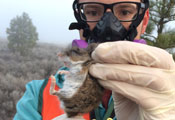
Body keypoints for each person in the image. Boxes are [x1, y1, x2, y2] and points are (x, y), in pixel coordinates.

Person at [14, 0, 175, 120]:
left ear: (144, 20)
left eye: (125, 12)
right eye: (92, 12)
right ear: (80, 17)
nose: (108, 27)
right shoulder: (38, 96)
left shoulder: (169, 95)